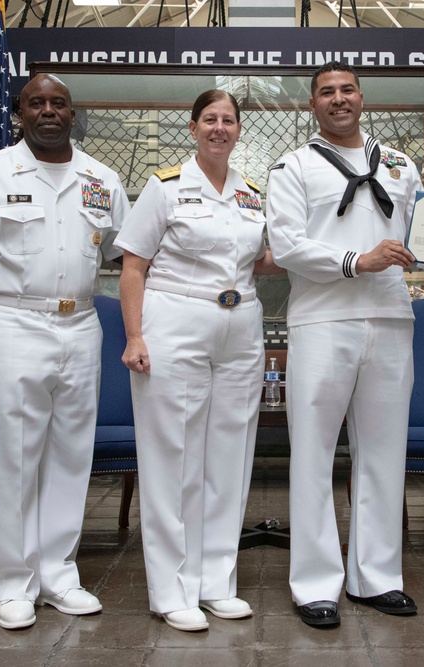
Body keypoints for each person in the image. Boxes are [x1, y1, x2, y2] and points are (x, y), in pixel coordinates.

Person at [0, 74, 130, 630]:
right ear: (19, 113)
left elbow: (129, 256)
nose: (47, 111)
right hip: (11, 324)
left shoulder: (102, 178)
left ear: (72, 113)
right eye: (36, 103)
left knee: (70, 454)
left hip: (82, 323)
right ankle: (14, 583)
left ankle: (60, 573)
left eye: (57, 103)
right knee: (12, 457)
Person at [115, 90, 282, 632]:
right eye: (209, 119)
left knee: (230, 457)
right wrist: (134, 336)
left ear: (239, 130)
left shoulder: (251, 194)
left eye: (228, 120)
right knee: (174, 457)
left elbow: (266, 261)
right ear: (192, 127)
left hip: (240, 326)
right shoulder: (164, 187)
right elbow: (133, 268)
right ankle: (172, 589)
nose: (219, 128)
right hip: (175, 323)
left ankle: (216, 582)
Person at [266, 61, 420, 627]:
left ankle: (376, 578)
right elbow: (285, 245)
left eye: (347, 89)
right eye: (326, 92)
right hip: (323, 321)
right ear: (312, 105)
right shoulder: (293, 167)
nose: (338, 99)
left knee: (384, 451)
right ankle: (314, 585)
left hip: (392, 317)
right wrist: (355, 260)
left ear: (362, 96)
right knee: (312, 454)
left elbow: (417, 236)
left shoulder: (401, 164)